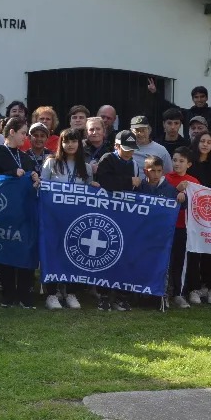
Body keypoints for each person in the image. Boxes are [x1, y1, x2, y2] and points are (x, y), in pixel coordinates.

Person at [0, 117, 42, 309]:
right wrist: (9, 173)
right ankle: (7, 294)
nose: (26, 137)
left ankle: (25, 294)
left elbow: (33, 181)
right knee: (6, 253)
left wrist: (34, 177)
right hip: (3, 212)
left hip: (24, 213)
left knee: (25, 251)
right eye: (24, 133)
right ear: (12, 132)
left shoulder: (25, 157)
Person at [40, 128, 92, 309]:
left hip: (76, 219)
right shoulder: (51, 163)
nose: (70, 145)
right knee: (53, 253)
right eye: (66, 141)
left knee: (74, 254)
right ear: (60, 144)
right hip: (53, 218)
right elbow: (43, 189)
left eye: (74, 141)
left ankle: (71, 292)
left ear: (79, 144)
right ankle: (51, 294)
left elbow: (89, 194)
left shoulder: (86, 167)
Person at [93, 130, 143, 311]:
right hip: (107, 212)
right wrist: (129, 181)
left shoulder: (135, 165)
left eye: (132, 149)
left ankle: (123, 295)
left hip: (126, 214)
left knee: (125, 253)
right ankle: (103, 295)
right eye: (125, 149)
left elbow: (137, 191)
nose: (129, 153)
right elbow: (105, 181)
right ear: (116, 146)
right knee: (105, 252)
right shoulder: (107, 159)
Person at [187, 132, 211, 305]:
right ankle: (194, 288)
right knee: (194, 253)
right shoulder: (189, 165)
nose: (205, 144)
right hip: (193, 218)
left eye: (209, 142)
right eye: (202, 141)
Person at [148, 74, 211, 139]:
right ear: (193, 99)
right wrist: (155, 93)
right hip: (191, 151)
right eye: (196, 97)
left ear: (206, 98)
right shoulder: (186, 114)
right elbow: (167, 106)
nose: (199, 99)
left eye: (202, 96)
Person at [164, 148, 200, 308]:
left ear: (189, 164)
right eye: (175, 160)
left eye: (181, 161)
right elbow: (160, 198)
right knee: (165, 261)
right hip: (165, 227)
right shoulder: (165, 179)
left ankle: (178, 293)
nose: (177, 163)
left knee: (180, 262)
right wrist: (175, 191)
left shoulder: (194, 182)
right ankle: (163, 293)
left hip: (184, 227)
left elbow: (199, 204)